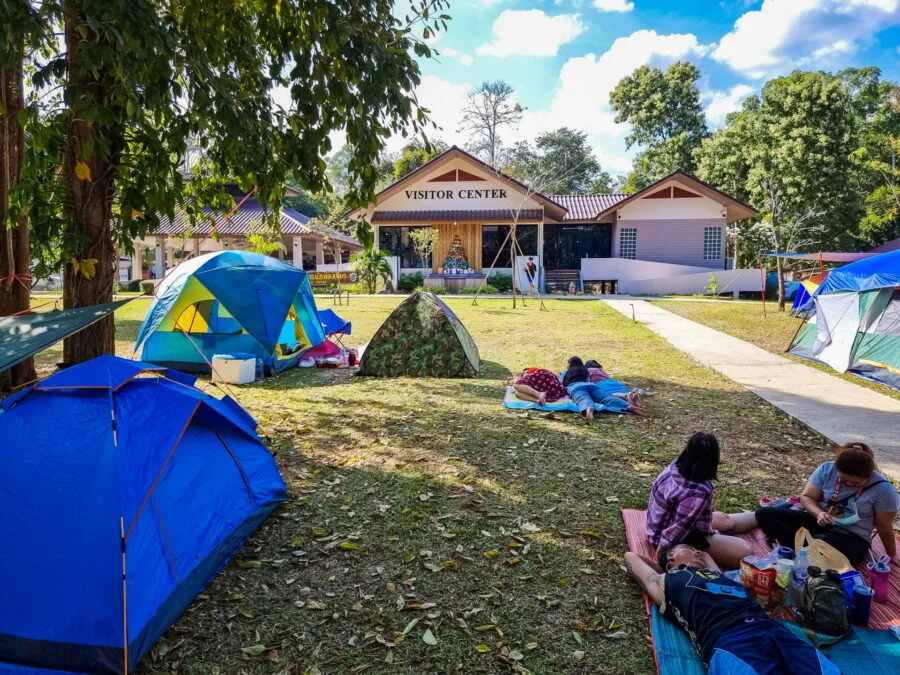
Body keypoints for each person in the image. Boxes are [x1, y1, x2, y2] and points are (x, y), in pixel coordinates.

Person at [624, 545, 840, 675]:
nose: (698, 551)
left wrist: (699, 558)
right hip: (728, 640)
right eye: (689, 547)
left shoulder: (720, 576)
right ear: (671, 557)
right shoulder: (667, 582)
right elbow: (630, 557)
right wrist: (668, 565)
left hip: (772, 630)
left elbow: (711, 565)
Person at [755, 442, 899, 565]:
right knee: (764, 513)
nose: (848, 484)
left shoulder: (884, 490)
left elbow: (884, 527)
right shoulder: (827, 469)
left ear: (870, 475)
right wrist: (819, 514)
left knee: (819, 544)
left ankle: (798, 551)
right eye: (843, 480)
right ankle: (800, 551)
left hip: (852, 536)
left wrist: (891, 554)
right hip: (820, 523)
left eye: (856, 483)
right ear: (837, 468)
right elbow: (806, 497)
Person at [647, 433, 756, 569]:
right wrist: (661, 552)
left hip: (661, 524)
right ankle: (766, 513)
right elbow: (677, 530)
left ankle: (765, 514)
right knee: (745, 554)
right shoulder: (697, 493)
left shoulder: (676, 465)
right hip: (673, 536)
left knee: (725, 519)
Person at [562, 356, 646, 419]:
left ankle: (589, 408)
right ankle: (627, 406)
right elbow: (589, 380)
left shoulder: (566, 372)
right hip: (591, 386)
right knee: (605, 398)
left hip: (575, 387)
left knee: (583, 398)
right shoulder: (585, 371)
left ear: (570, 364)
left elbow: (561, 382)